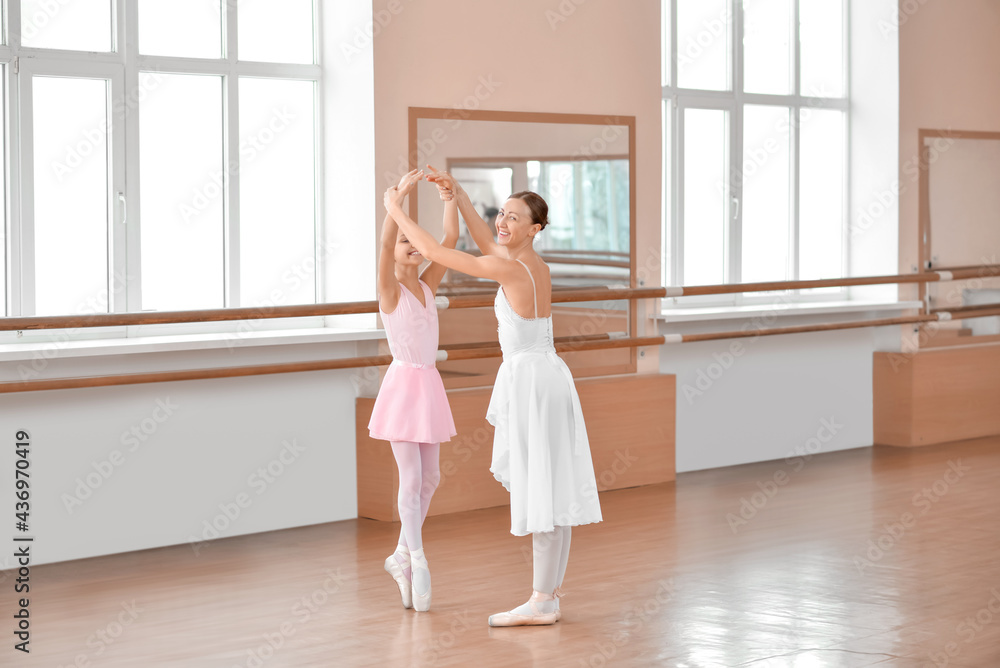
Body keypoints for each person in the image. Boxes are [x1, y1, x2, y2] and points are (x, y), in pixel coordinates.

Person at [384, 167, 603, 627]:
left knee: (540, 482)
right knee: (552, 481)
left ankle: (543, 600)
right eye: (501, 213)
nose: (503, 222)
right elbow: (486, 246)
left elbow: (431, 250)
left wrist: (391, 208)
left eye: (514, 217)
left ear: (535, 229)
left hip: (532, 381)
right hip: (547, 375)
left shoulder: (510, 266)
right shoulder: (529, 265)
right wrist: (458, 196)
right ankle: (548, 596)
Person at [369, 171, 459, 613]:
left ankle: (401, 554)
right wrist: (395, 203)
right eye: (408, 242)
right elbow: (385, 248)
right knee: (411, 477)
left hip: (428, 384)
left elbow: (450, 237)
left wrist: (448, 196)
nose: (413, 247)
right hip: (404, 386)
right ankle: (417, 558)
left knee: (432, 477)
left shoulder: (428, 284)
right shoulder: (390, 290)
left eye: (415, 244)